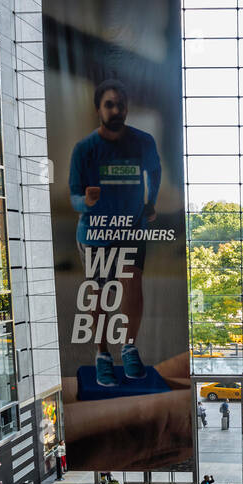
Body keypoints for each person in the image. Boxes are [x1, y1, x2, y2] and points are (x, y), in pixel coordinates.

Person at [68, 78, 160, 381]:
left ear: (127, 108)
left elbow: (154, 172)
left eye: (121, 104)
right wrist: (86, 201)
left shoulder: (143, 141)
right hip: (95, 233)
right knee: (100, 291)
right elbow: (73, 197)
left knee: (131, 280)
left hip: (130, 228)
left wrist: (151, 203)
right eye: (110, 104)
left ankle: (129, 348)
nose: (116, 109)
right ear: (99, 109)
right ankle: (102, 353)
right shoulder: (84, 150)